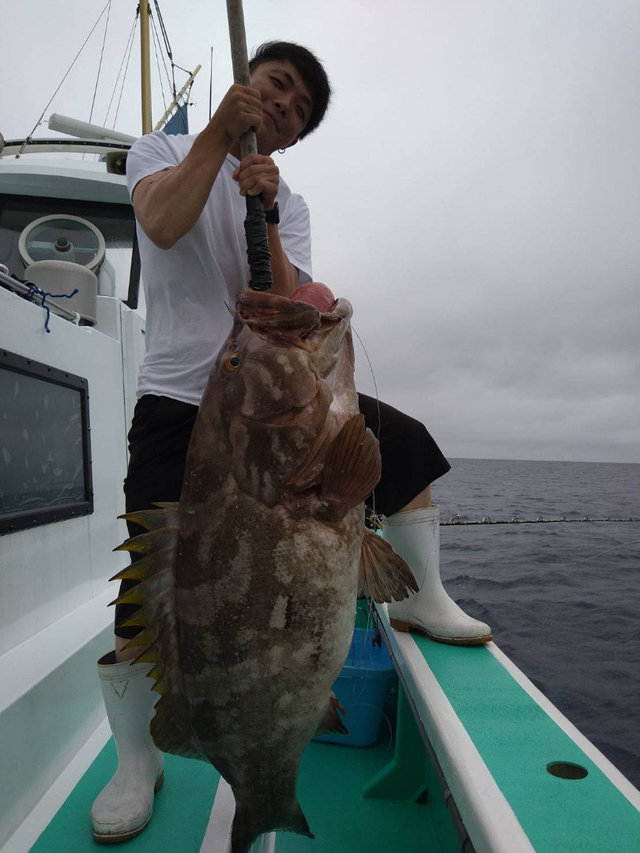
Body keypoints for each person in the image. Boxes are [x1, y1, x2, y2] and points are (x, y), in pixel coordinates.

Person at [90, 41, 491, 844]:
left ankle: (419, 598)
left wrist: (266, 211)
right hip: (181, 398)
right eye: (275, 87)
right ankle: (138, 760)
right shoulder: (162, 150)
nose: (282, 106)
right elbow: (163, 224)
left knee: (403, 445)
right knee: (150, 598)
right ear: (248, 88)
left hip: (274, 390)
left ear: (296, 137)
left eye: (298, 109)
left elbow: (289, 303)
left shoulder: (288, 200)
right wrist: (214, 140)